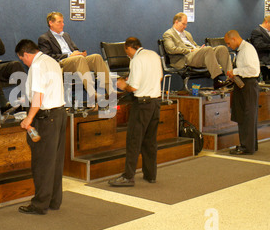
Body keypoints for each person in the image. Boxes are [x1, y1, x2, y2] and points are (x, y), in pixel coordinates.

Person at [15, 39, 67, 215]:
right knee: (56, 161)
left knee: (42, 163)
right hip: (60, 114)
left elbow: (39, 94)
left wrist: (29, 118)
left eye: (23, 59)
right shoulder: (51, 61)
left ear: (27, 54)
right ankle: (54, 200)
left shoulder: (36, 66)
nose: (24, 62)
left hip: (46, 118)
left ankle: (40, 204)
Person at [108, 37, 162, 187]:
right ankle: (150, 175)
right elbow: (160, 77)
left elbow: (133, 87)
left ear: (128, 48)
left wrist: (121, 84)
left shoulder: (137, 60)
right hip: (156, 101)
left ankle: (128, 176)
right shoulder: (154, 55)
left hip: (142, 104)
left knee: (133, 140)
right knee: (150, 141)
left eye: (127, 53)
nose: (128, 56)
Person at [38, 11, 114, 103]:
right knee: (79, 59)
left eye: (62, 22)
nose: (63, 24)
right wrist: (70, 55)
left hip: (76, 60)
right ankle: (91, 92)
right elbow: (48, 57)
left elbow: (74, 49)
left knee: (96, 57)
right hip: (61, 64)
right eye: (59, 22)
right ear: (51, 23)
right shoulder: (44, 38)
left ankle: (110, 89)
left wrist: (80, 53)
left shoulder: (66, 35)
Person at [163, 12, 233, 89]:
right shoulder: (168, 34)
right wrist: (190, 50)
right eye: (183, 24)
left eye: (186, 24)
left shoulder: (187, 34)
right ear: (176, 22)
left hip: (195, 55)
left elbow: (194, 45)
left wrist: (199, 48)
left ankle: (231, 78)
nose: (185, 26)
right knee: (208, 49)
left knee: (221, 49)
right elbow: (171, 49)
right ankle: (216, 80)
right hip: (185, 58)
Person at [224, 30, 260, 155]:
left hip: (248, 85)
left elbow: (253, 70)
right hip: (243, 85)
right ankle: (249, 145)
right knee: (244, 115)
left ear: (234, 39)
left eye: (229, 43)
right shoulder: (242, 49)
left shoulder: (247, 50)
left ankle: (246, 147)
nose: (229, 46)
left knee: (247, 115)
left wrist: (235, 71)